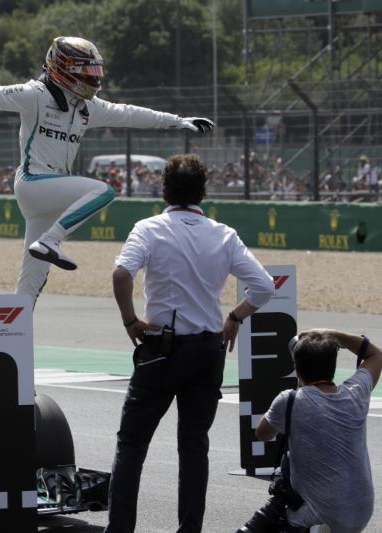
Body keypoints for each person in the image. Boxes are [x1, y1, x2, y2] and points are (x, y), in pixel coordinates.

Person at [0, 36, 214, 304]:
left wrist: (177, 121)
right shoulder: (34, 95)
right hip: (33, 183)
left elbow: (129, 113)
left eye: (95, 71)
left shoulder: (86, 106)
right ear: (62, 69)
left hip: (49, 194)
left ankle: (12, 340)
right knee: (103, 190)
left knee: (31, 284)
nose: (94, 78)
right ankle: (51, 240)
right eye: (86, 71)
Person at [107, 154, 274, 533]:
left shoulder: (149, 228)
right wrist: (235, 317)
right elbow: (264, 287)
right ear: (203, 192)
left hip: (161, 350)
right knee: (194, 445)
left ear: (164, 189)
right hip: (206, 350)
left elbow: (121, 274)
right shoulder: (223, 234)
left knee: (132, 444)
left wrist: (130, 320)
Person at [245, 329, 380, 532]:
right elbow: (375, 354)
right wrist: (332, 334)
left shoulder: (289, 400)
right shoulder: (355, 394)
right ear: (333, 367)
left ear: (298, 371)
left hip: (321, 511)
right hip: (360, 509)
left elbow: (262, 433)